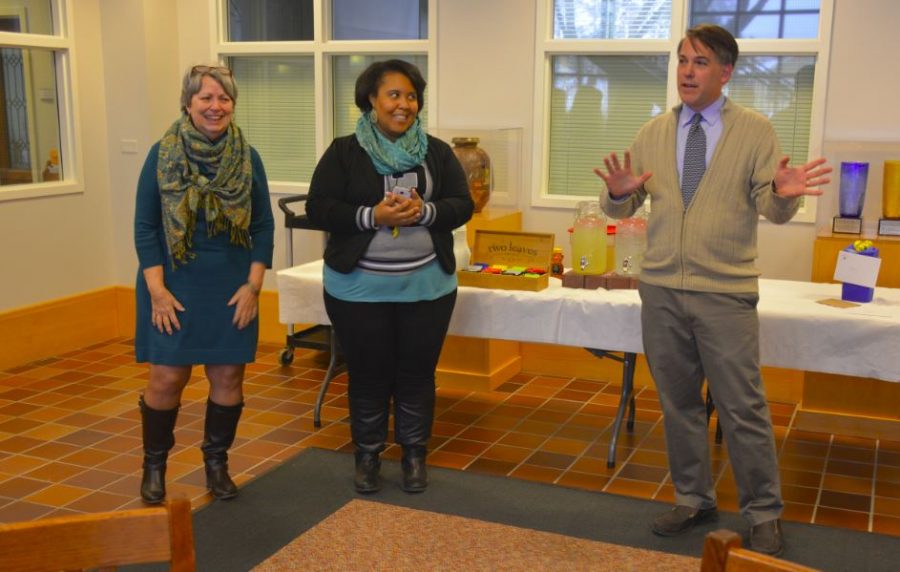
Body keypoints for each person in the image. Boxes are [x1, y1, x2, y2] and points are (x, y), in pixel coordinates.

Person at [594, 24, 831, 556]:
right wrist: (615, 195)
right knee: (678, 404)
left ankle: (763, 511)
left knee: (741, 405)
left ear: (725, 72)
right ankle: (694, 497)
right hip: (660, 290)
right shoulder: (653, 131)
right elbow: (624, 205)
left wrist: (785, 194)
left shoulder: (755, 131)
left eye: (699, 62)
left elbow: (772, 205)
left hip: (725, 292)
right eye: (681, 60)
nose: (686, 71)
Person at [306, 59, 473, 494]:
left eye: (411, 96)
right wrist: (371, 216)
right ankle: (367, 457)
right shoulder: (344, 151)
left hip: (427, 288)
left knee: (417, 373)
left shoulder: (436, 151)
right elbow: (319, 207)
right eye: (394, 95)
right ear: (371, 100)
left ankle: (415, 456)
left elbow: (462, 203)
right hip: (358, 289)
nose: (404, 105)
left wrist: (427, 211)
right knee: (367, 373)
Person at [133, 64, 275, 504]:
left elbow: (263, 226)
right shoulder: (162, 153)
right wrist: (157, 291)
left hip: (232, 285)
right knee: (166, 378)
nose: (215, 107)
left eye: (224, 98)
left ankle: (217, 464)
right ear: (188, 103)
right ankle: (154, 466)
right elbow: (146, 226)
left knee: (228, 374)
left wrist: (253, 286)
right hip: (171, 284)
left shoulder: (248, 157)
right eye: (206, 98)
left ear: (233, 104)